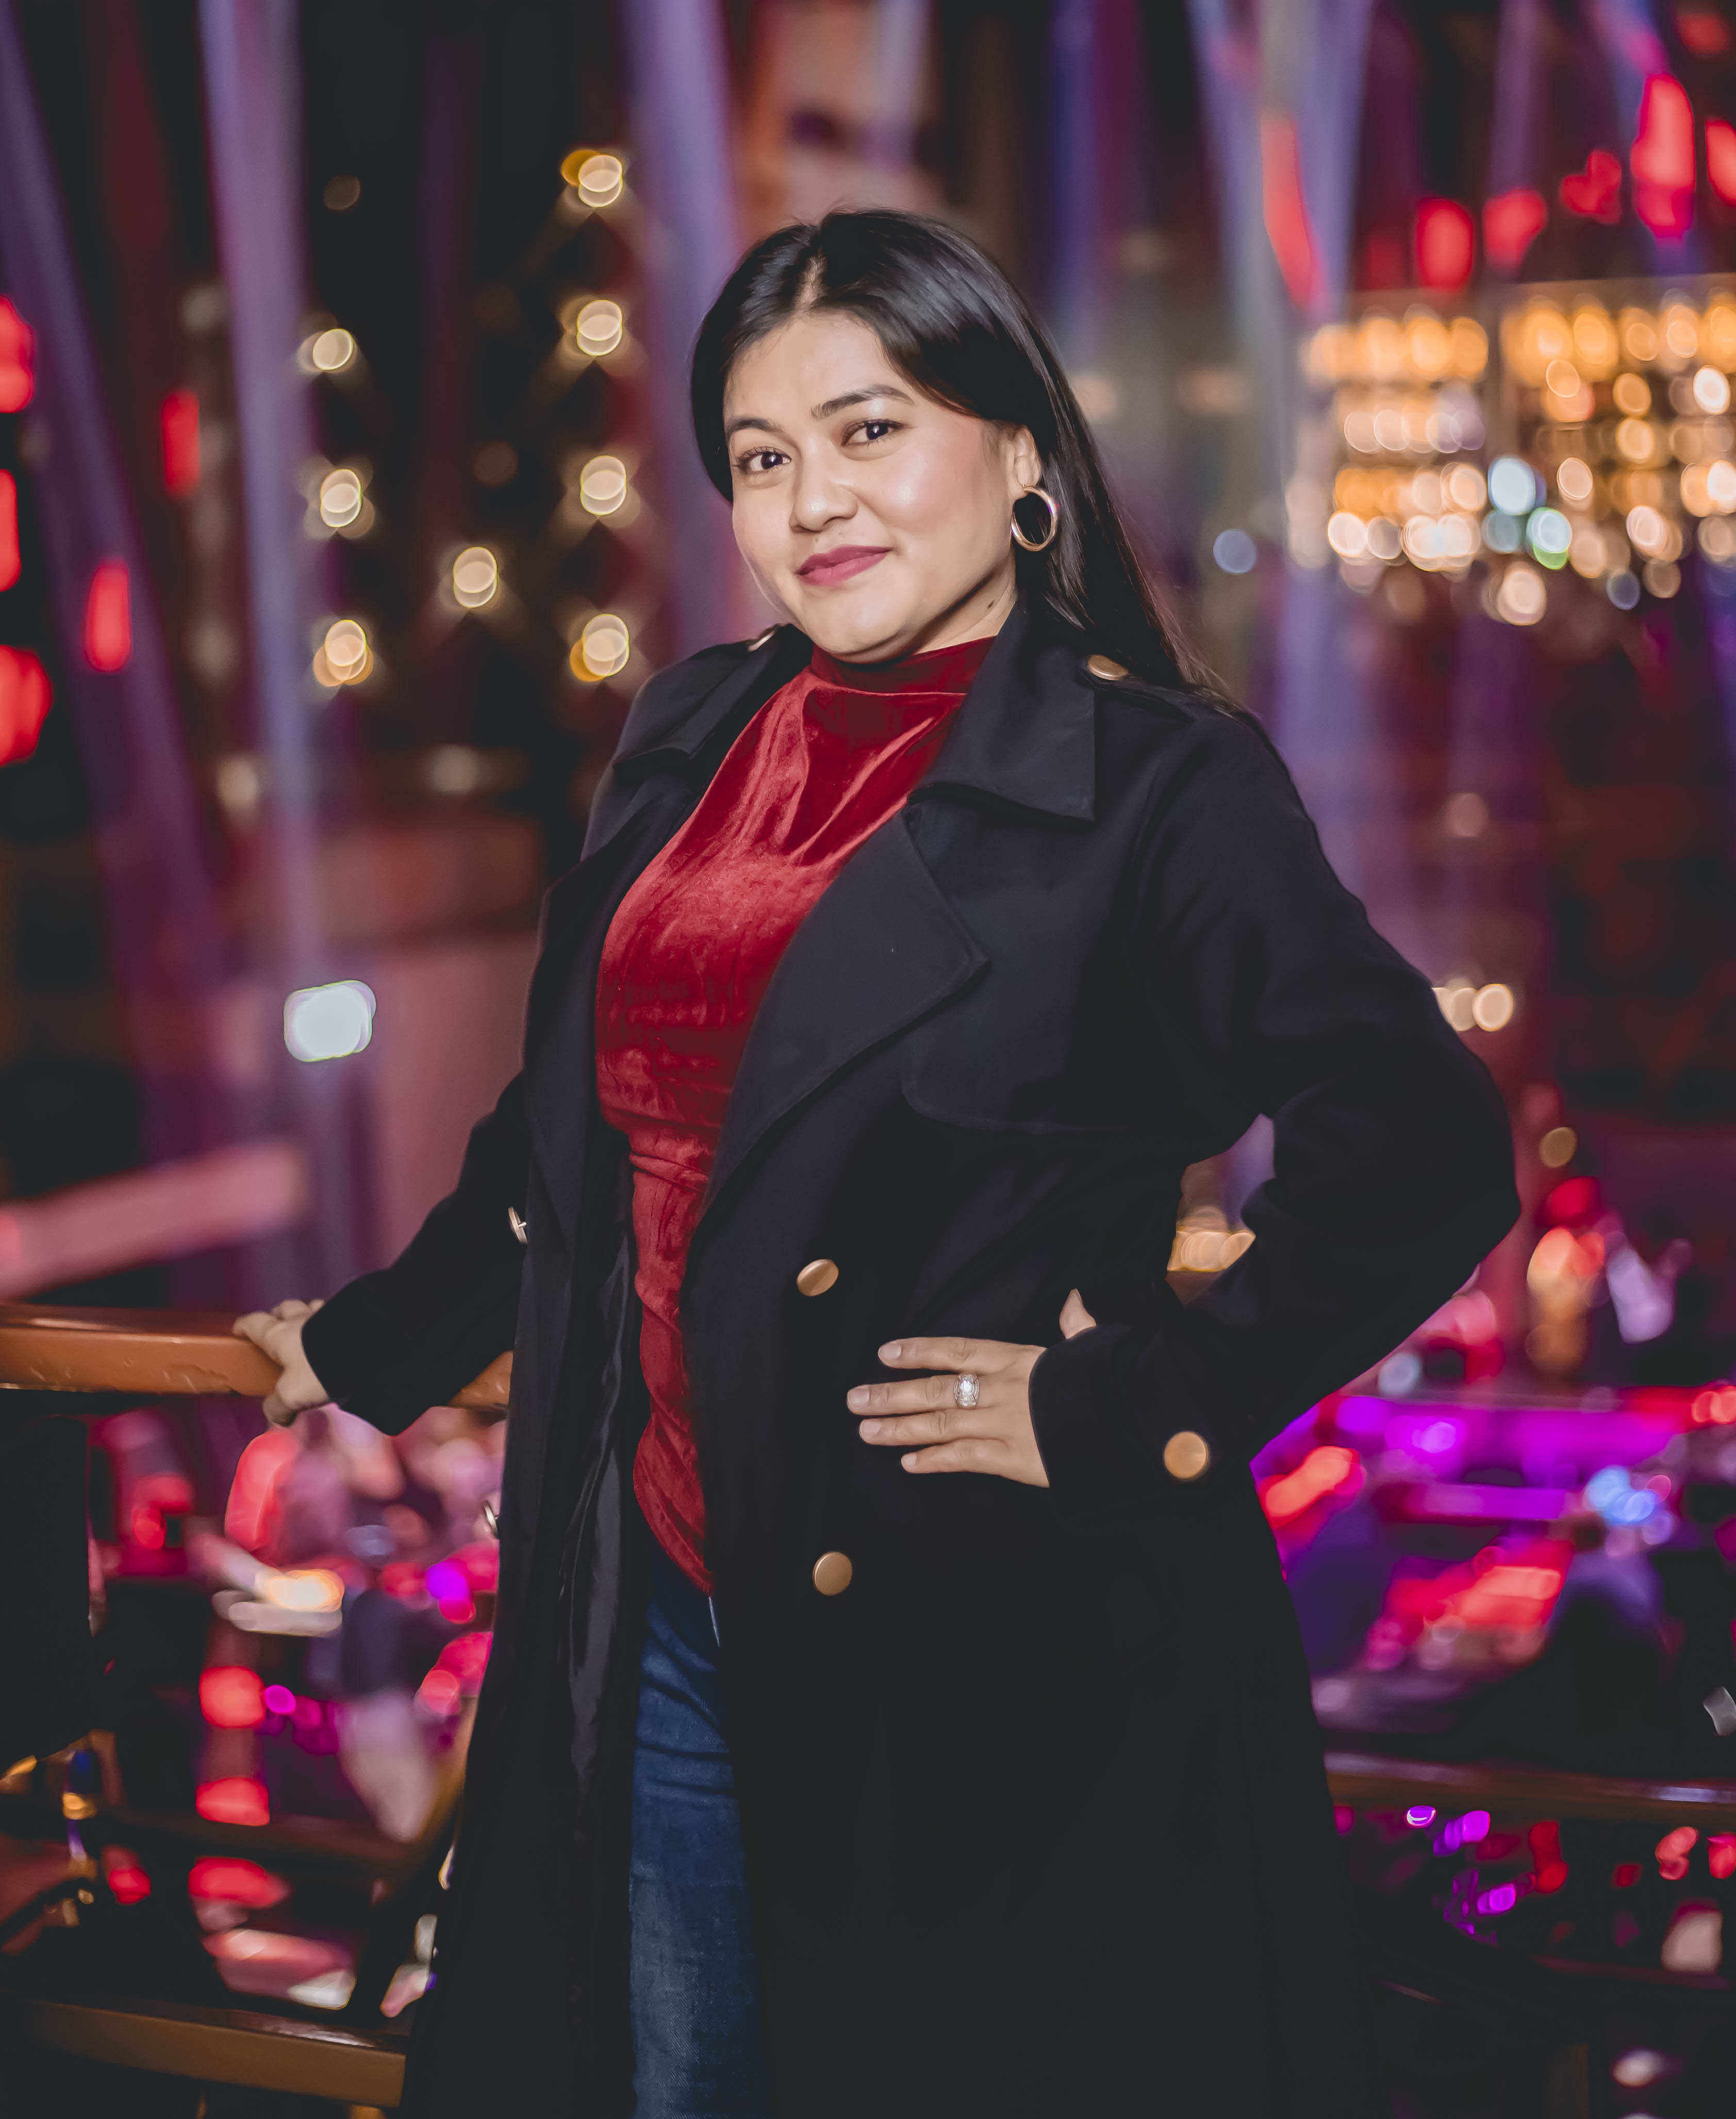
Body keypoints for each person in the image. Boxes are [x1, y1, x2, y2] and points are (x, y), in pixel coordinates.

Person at [238, 210, 1517, 2119]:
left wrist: (1127, 1401)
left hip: (984, 1628)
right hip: (663, 1597)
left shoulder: (1155, 779)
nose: (810, 500)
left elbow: (1420, 1146)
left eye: (868, 430)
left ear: (1019, 452)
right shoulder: (697, 725)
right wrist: (376, 1340)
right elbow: (568, 1130)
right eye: (761, 456)